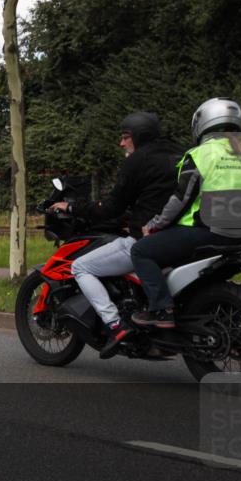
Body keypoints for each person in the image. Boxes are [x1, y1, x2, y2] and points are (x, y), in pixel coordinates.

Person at [49, 112, 183, 359]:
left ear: (139, 138)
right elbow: (159, 198)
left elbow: (111, 207)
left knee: (81, 267)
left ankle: (115, 326)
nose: (121, 144)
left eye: (125, 138)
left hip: (147, 239)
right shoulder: (181, 154)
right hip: (182, 236)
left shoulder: (138, 161)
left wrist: (73, 207)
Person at [131, 98, 241, 327]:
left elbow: (181, 199)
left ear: (203, 123)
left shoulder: (202, 154)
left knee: (141, 251)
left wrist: (155, 223)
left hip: (206, 231)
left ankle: (161, 310)